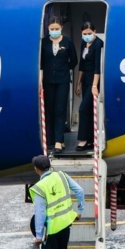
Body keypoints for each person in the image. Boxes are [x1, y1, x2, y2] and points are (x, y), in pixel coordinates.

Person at [28, 155, 84, 249]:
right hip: (66, 225)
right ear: (49, 165)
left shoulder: (39, 188)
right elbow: (80, 190)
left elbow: (40, 214)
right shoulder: (61, 175)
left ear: (36, 169)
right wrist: (80, 210)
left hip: (51, 231)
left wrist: (39, 236)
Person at [40, 17, 77, 154]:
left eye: (56, 29)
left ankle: (58, 141)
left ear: (61, 28)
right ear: (48, 29)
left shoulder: (67, 42)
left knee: (60, 110)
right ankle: (50, 140)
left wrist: (63, 68)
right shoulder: (44, 42)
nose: (54, 31)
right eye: (52, 29)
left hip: (62, 80)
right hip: (48, 81)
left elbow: (74, 60)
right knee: (49, 110)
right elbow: (41, 63)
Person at [75, 22, 103, 151]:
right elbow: (82, 65)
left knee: (82, 109)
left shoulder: (98, 44)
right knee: (89, 111)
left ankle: (83, 140)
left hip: (94, 80)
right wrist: (78, 82)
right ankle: (91, 140)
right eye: (84, 34)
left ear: (94, 32)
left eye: (89, 33)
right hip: (85, 79)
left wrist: (94, 85)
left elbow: (98, 67)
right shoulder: (83, 43)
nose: (87, 36)